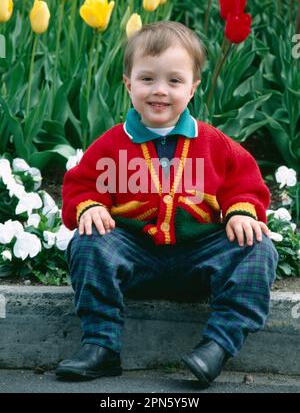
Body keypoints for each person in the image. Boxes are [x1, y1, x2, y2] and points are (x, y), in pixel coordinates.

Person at [55, 21, 278, 388]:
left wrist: (241, 209)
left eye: (174, 81)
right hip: (133, 254)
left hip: (200, 257)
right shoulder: (112, 145)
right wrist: (90, 205)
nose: (160, 91)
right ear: (128, 85)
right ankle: (100, 345)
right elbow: (80, 183)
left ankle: (218, 345)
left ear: (192, 88)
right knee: (89, 241)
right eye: (147, 80)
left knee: (257, 246)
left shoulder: (213, 143)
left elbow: (245, 181)